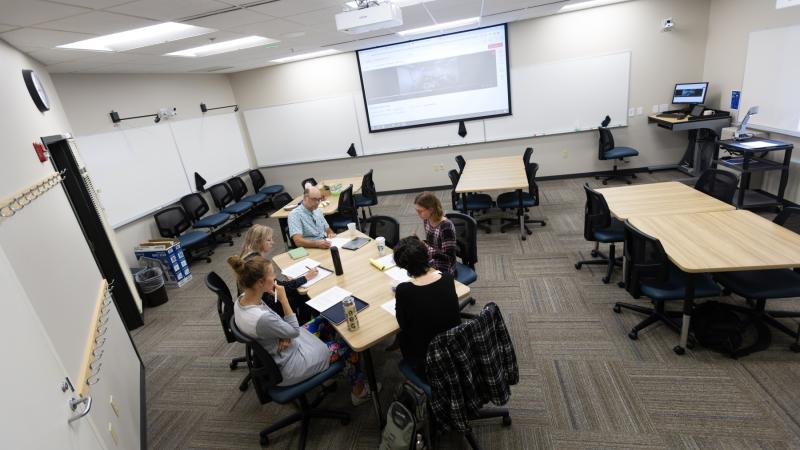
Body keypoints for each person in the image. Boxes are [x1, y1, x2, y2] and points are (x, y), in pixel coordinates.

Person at [229, 254, 377, 404]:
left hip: (282, 348)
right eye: (272, 274)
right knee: (351, 344)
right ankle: (359, 392)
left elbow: (275, 327)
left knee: (325, 319)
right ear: (260, 282)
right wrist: (283, 299)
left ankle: (329, 369)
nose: (275, 277)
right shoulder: (261, 319)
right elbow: (291, 330)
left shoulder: (242, 300)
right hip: (290, 365)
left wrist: (283, 334)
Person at [393, 237, 461, 380]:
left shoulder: (404, 290)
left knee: (402, 336)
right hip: (455, 350)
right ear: (426, 256)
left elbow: (403, 324)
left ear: (403, 266)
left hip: (428, 362)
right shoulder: (447, 278)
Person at [240, 224, 317, 322]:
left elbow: (274, 283)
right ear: (258, 242)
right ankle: (301, 324)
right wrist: (306, 277)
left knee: (294, 286)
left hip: (258, 298)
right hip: (269, 303)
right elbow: (278, 286)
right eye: (268, 240)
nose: (272, 242)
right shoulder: (257, 263)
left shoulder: (247, 256)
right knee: (304, 295)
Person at [414, 192, 457, 276]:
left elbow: (448, 258)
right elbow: (432, 244)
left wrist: (424, 246)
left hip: (445, 267)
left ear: (431, 209)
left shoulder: (446, 227)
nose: (418, 214)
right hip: (432, 260)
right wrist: (419, 242)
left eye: (420, 211)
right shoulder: (427, 219)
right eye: (417, 211)